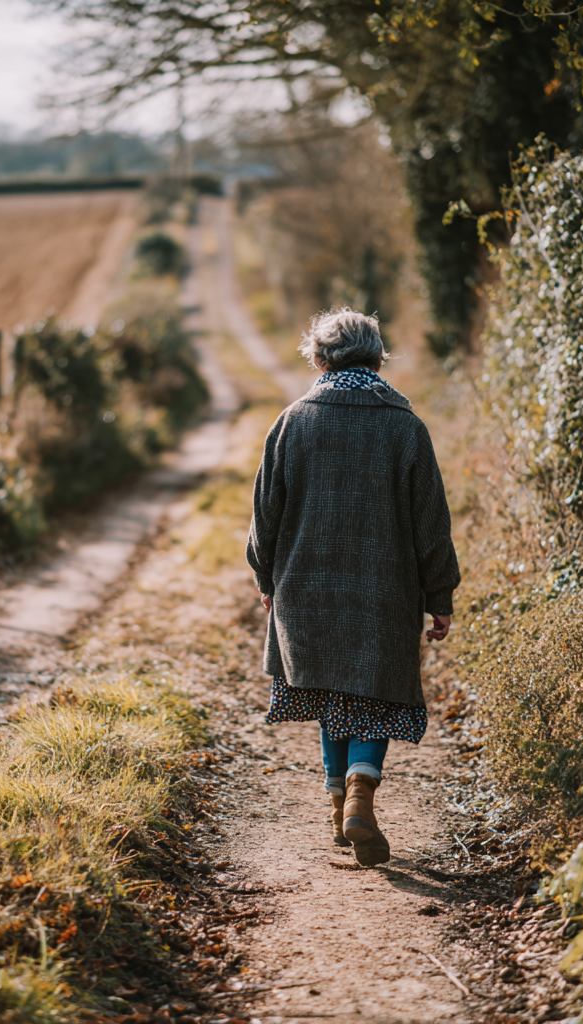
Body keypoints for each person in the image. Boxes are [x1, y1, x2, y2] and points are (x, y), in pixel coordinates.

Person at [245, 307, 460, 867]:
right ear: (377, 355)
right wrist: (439, 596)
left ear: (319, 357)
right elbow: (431, 523)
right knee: (370, 691)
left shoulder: (293, 421)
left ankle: (338, 798)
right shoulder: (405, 426)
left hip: (306, 589)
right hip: (384, 588)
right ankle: (361, 793)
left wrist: (266, 577)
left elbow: (264, 514)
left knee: (331, 693)